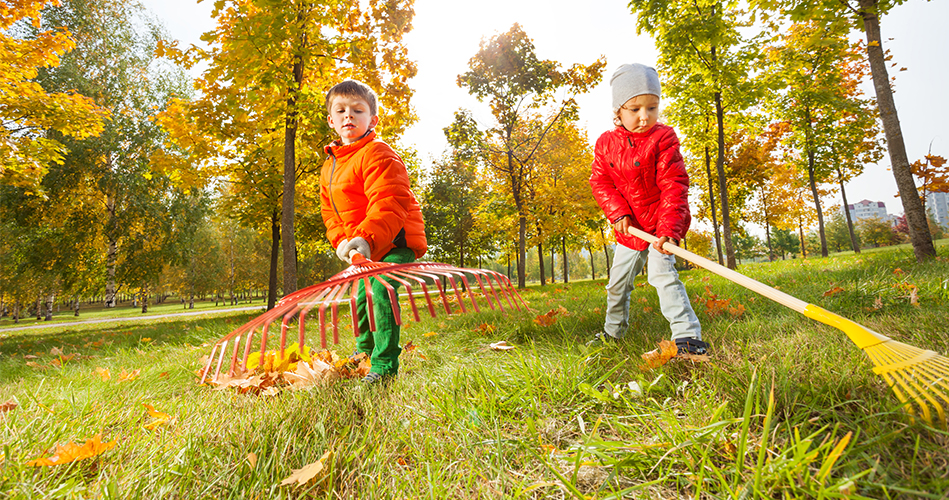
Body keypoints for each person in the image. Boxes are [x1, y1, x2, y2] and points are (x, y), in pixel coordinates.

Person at [588, 63, 707, 356]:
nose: (644, 117)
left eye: (652, 108)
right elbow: (600, 182)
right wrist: (617, 214)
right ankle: (612, 334)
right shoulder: (605, 144)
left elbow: (674, 186)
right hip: (630, 229)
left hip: (659, 226)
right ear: (618, 110)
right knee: (617, 285)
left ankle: (688, 339)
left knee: (663, 276)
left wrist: (668, 231)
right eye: (634, 109)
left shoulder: (664, 139)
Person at [320, 79, 427, 383]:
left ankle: (383, 367)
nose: (348, 116)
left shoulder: (379, 153)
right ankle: (363, 355)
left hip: (394, 241)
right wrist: (343, 242)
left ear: (373, 119)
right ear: (331, 120)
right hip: (361, 247)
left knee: (380, 290)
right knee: (359, 297)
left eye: (357, 110)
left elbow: (389, 202)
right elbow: (332, 214)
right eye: (340, 111)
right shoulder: (330, 167)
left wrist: (365, 239)